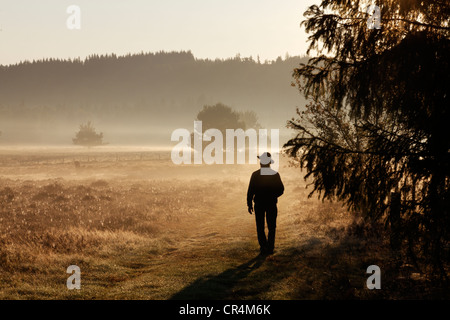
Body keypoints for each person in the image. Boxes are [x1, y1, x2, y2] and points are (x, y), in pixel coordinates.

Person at [247, 152, 284, 255]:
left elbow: (250, 191)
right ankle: (270, 248)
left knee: (260, 226)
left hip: (259, 203)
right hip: (271, 203)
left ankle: (263, 247)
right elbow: (281, 190)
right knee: (272, 226)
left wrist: (249, 204)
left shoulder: (255, 175)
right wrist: (273, 196)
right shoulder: (275, 174)